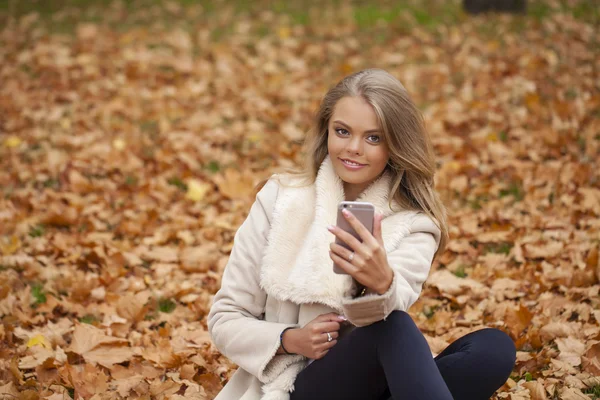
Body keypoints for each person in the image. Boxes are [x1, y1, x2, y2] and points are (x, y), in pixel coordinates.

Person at [207, 69, 516, 400]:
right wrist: (290, 338)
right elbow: (225, 319)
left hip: (371, 383)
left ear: (395, 145)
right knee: (392, 327)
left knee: (492, 349)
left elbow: (390, 314)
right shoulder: (280, 198)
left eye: (373, 138)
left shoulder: (415, 223)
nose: (353, 148)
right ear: (326, 130)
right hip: (294, 388)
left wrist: (382, 284)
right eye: (342, 131)